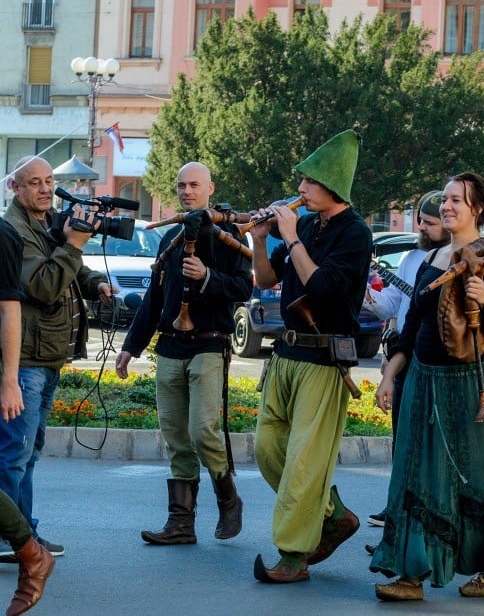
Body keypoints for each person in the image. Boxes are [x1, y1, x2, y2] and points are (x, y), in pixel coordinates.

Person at [371, 172, 484, 601]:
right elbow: (412, 327)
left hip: (472, 384)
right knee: (416, 470)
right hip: (424, 379)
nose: (447, 206)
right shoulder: (433, 259)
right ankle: (412, 575)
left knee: (478, 473)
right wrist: (390, 374)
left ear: (477, 208)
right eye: (444, 199)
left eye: (456, 200)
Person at [250, 130, 371, 582]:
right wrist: (262, 240)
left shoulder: (355, 233)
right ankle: (333, 512)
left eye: (308, 183)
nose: (299, 191)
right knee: (267, 449)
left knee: (303, 463)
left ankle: (292, 555)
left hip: (324, 361)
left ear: (331, 187)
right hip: (285, 353)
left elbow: (321, 288)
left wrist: (289, 235)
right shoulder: (303, 225)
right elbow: (265, 281)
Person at [117, 162, 252, 546]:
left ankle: (229, 499)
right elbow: (154, 298)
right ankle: (181, 523)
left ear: (210, 188)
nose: (186, 191)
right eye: (181, 185)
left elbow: (245, 287)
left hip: (210, 342)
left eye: (194, 184)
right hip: (171, 345)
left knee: (202, 430)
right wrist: (131, 347)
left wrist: (207, 278)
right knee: (175, 436)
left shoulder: (230, 235)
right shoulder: (171, 237)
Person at [2, 156, 116, 558]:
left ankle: (24, 535)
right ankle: (11, 538)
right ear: (14, 189)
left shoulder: (43, 223)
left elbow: (64, 266)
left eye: (49, 180)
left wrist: (95, 281)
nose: (46, 189)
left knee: (28, 455)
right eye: (34, 183)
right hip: (27, 361)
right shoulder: (14, 231)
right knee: (14, 455)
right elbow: (43, 283)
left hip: (46, 357)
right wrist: (76, 245)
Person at [365, 190, 449, 528]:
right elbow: (392, 306)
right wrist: (365, 291)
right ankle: (396, 506)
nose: (423, 228)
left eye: (430, 223)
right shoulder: (411, 258)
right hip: (403, 356)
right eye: (421, 222)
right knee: (401, 437)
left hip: (433, 359)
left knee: (426, 441)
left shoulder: (453, 258)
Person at [0, 215, 55, 616]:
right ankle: (32, 553)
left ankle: (30, 552)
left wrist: (9, 380)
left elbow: (10, 309)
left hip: (18, 366)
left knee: (15, 460)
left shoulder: (3, 236)